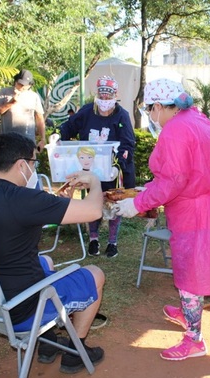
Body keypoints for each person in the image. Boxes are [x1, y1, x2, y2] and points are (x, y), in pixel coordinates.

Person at [114, 78, 210, 361]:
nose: (150, 116)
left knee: (190, 273)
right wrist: (151, 189)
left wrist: (137, 203)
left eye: (149, 110)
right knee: (194, 266)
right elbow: (186, 170)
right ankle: (188, 314)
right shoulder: (197, 119)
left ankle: (194, 338)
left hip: (195, 210)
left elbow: (173, 181)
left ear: (158, 106)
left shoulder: (175, 131)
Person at [0, 132, 105, 374]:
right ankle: (76, 352)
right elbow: (93, 211)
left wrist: (54, 203)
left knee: (46, 260)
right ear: (21, 164)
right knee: (95, 274)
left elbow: (18, 217)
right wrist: (94, 181)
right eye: (32, 162)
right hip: (21, 307)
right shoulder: (25, 199)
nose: (32, 168)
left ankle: (48, 343)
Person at [59, 76, 135, 258]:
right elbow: (68, 127)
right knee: (92, 203)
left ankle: (112, 242)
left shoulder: (122, 115)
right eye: (102, 96)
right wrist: (58, 135)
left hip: (113, 171)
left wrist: (118, 165)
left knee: (113, 204)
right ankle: (93, 239)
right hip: (90, 167)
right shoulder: (87, 112)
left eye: (108, 98)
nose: (105, 101)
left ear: (115, 96)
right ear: (97, 95)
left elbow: (128, 144)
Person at [0, 69, 46, 150]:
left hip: (27, 142)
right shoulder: (5, 92)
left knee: (27, 162)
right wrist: (11, 103)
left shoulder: (34, 96)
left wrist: (43, 139)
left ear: (30, 85)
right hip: (7, 141)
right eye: (20, 84)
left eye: (25, 85)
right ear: (15, 82)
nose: (22, 87)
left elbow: (40, 119)